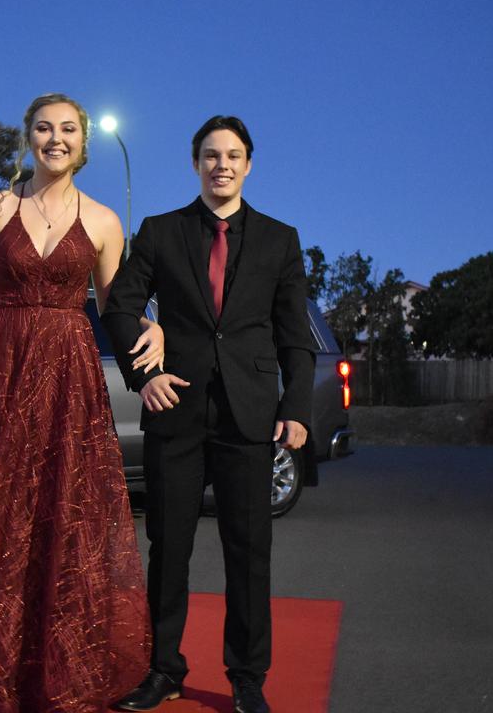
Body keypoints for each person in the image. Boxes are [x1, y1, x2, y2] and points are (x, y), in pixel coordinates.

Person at [0, 93, 160, 712]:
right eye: (44, 128)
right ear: (28, 137)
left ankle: (60, 670)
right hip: (8, 372)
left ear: (83, 142)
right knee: (1, 517)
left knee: (64, 516)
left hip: (71, 379)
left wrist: (156, 327)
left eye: (68, 130)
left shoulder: (102, 221)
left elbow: (115, 307)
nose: (55, 139)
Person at [102, 116, 316, 713]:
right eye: (211, 155)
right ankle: (163, 669)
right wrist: (144, 376)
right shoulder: (161, 232)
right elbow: (119, 307)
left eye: (233, 155)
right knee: (168, 548)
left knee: (249, 552)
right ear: (195, 163)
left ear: (249, 164)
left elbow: (294, 334)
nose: (222, 164)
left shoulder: (280, 240)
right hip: (175, 410)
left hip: (249, 417)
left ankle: (247, 678)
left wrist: (296, 407)